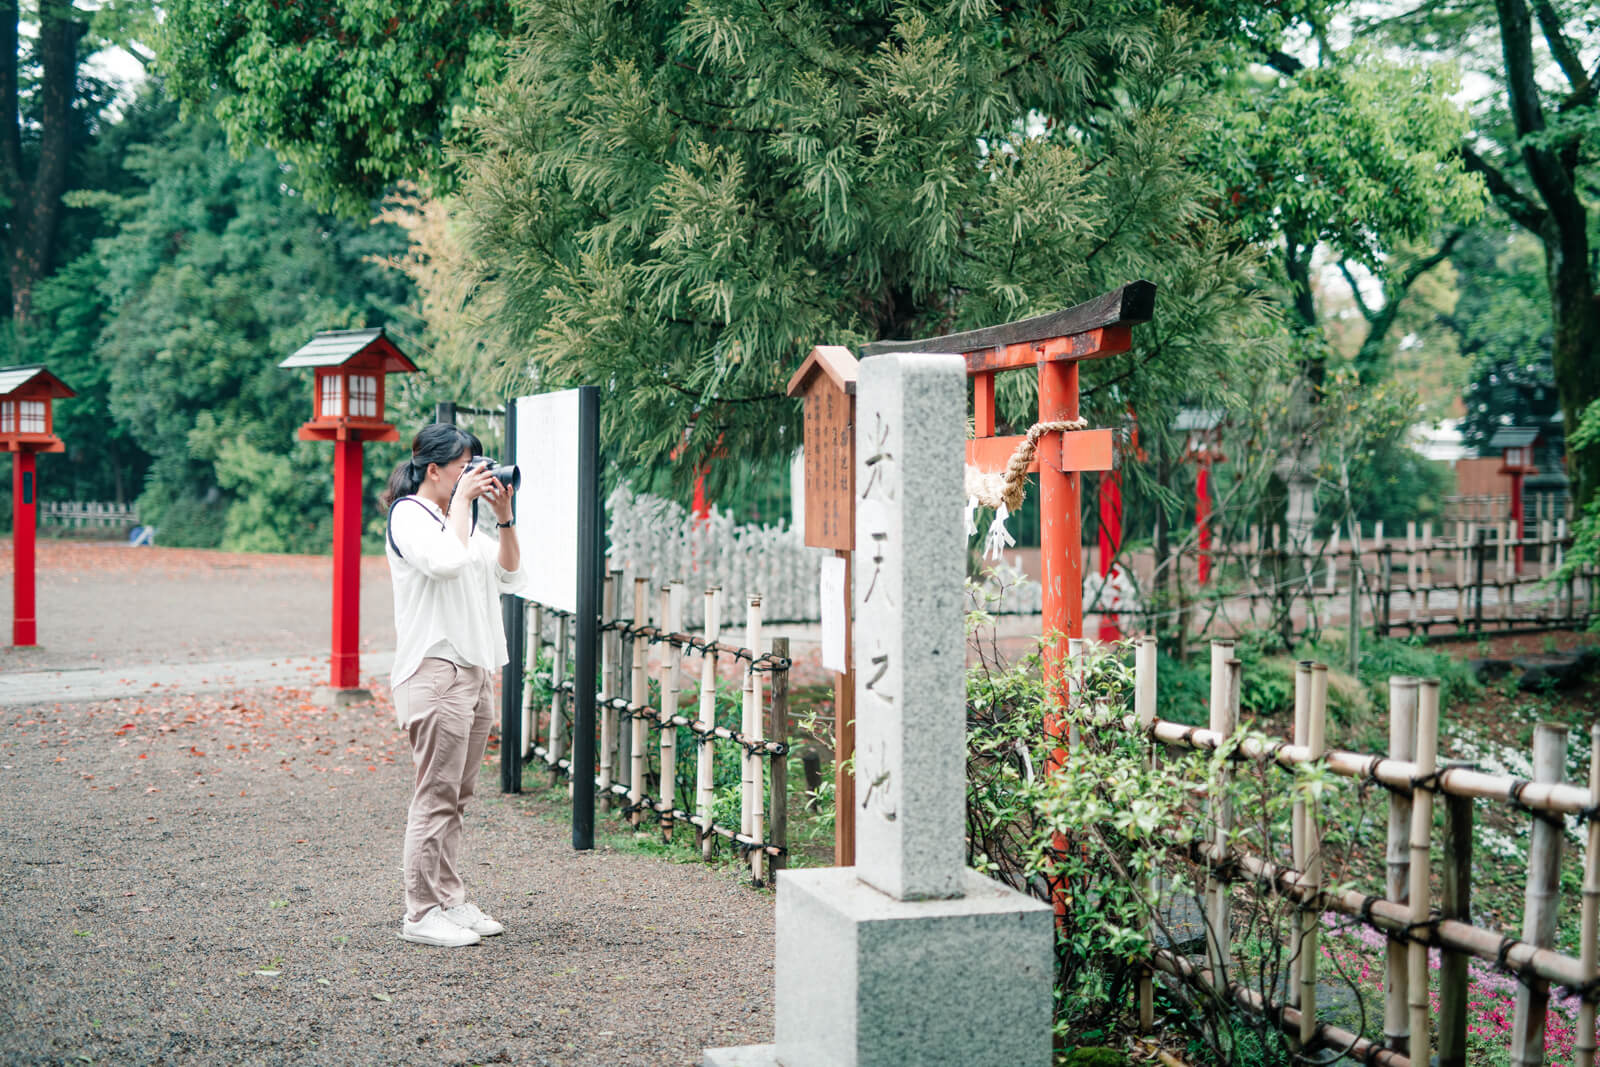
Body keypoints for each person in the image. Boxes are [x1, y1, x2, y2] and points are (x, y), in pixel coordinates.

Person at [382, 423, 521, 947]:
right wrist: (463, 502)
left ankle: (449, 899)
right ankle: (419, 914)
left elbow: (508, 573)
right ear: (434, 470)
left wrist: (504, 517)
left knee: (457, 796)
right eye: (465, 467)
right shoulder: (410, 517)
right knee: (435, 794)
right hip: (434, 670)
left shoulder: (456, 520)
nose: (474, 475)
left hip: (474, 669)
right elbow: (444, 562)